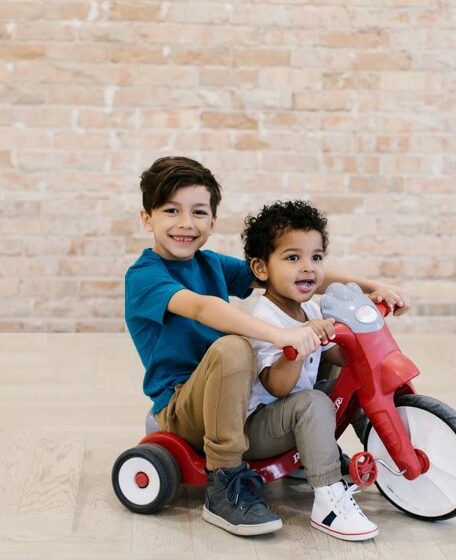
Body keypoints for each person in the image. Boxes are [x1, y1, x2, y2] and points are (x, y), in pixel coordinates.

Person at [125, 156, 410, 538]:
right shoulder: (144, 277)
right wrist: (280, 336)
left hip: (240, 398)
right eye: (171, 211)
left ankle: (328, 449)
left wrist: (370, 286)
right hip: (184, 406)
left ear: (212, 221)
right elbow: (201, 307)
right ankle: (224, 481)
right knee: (235, 348)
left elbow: (291, 273)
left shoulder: (210, 263)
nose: (185, 224)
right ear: (148, 219)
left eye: (198, 212)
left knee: (333, 341)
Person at [240, 200, 377, 541]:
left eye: (316, 257)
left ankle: (391, 454)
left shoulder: (310, 307)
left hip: (294, 413)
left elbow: (341, 356)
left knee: (358, 382)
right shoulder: (263, 319)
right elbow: (279, 386)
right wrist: (297, 347)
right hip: (259, 429)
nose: (308, 268)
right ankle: (329, 500)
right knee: (314, 401)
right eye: (292, 258)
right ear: (261, 268)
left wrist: (364, 338)